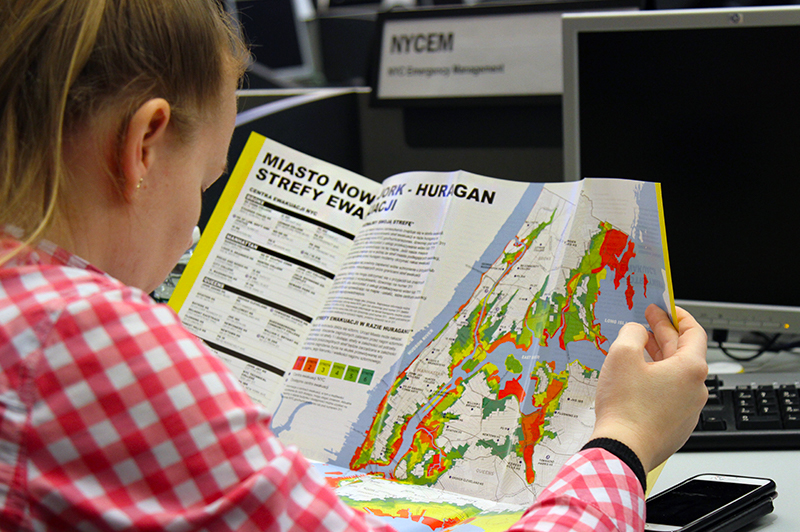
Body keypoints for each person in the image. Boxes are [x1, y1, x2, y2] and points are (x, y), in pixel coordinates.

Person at [0, 1, 709, 530]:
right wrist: (626, 441)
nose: (192, 229)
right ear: (145, 144)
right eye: (206, 182)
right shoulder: (83, 335)